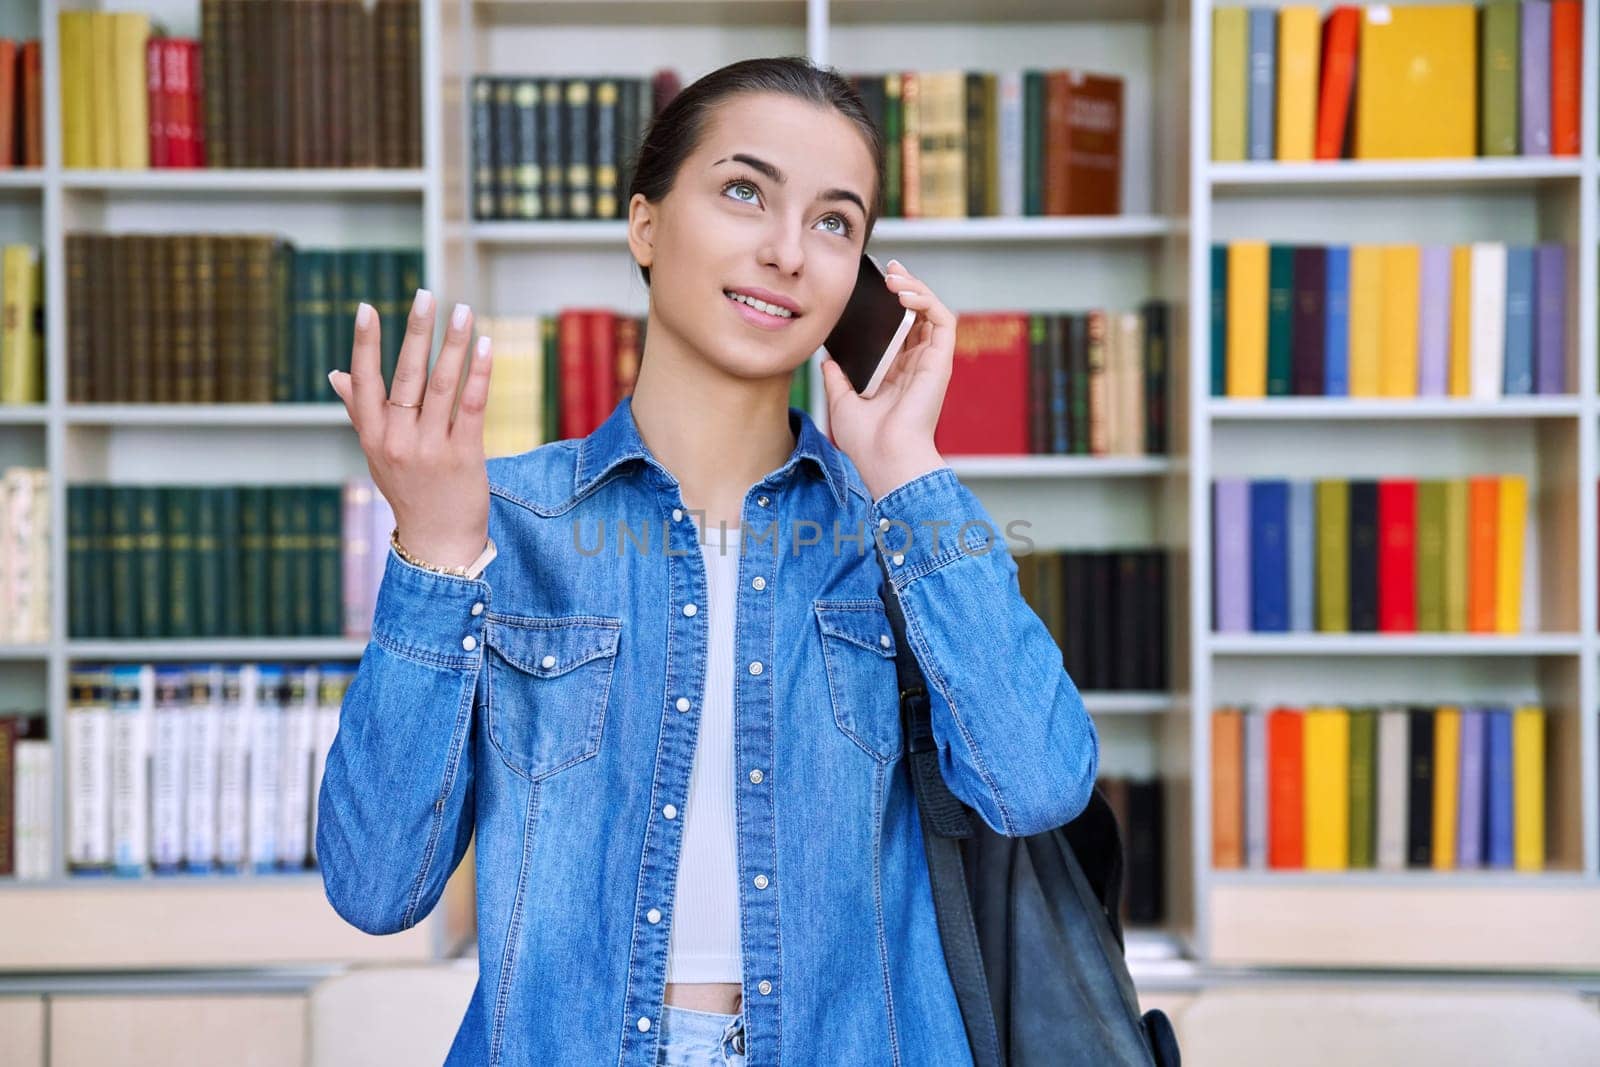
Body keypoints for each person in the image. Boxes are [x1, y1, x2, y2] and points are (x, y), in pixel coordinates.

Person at [319, 55, 1099, 1067]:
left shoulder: (897, 529)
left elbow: (1036, 784)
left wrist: (905, 461)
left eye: (834, 222)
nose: (786, 251)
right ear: (645, 223)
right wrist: (432, 551)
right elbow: (377, 885)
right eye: (744, 191)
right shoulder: (498, 520)